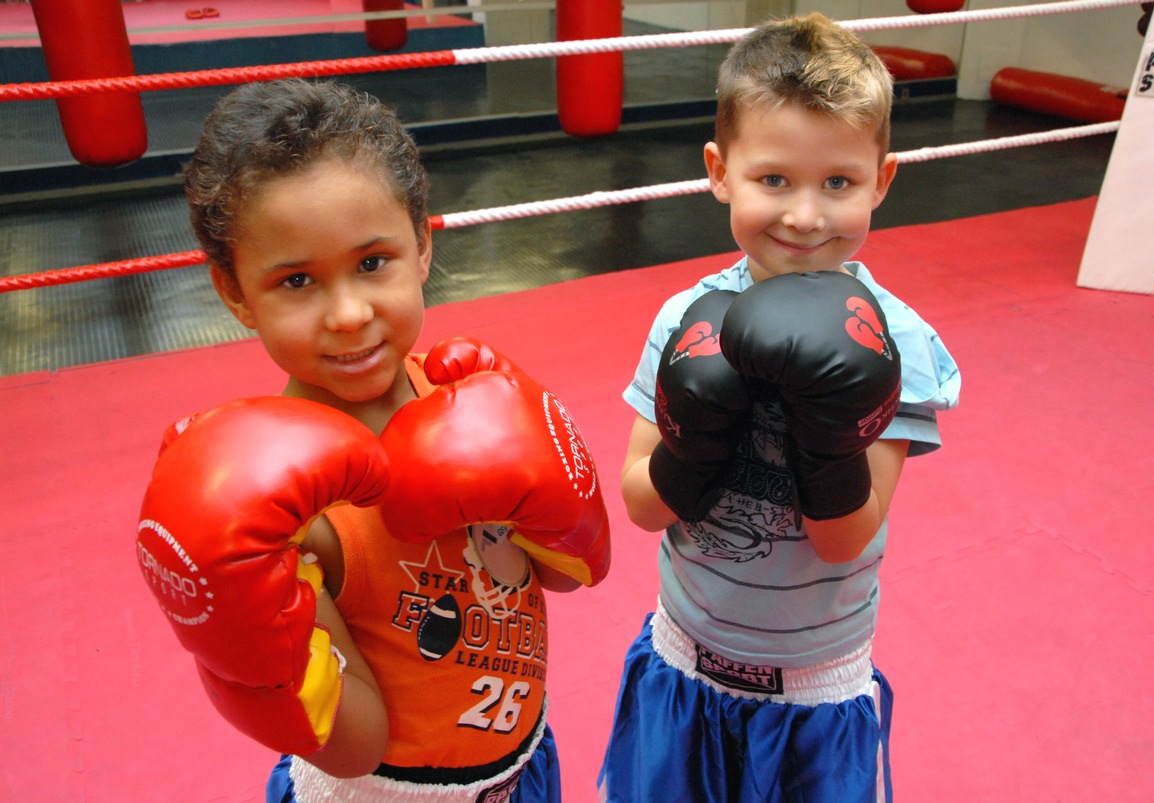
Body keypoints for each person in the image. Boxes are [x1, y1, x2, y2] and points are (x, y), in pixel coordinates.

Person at [133, 78, 611, 802]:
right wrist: (253, 657)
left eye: (371, 262)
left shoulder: (468, 396)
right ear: (235, 294)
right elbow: (354, 748)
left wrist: (552, 480)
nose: (350, 314)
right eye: (297, 280)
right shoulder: (292, 518)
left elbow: (565, 575)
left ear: (422, 245)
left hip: (522, 762)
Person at [597, 14, 961, 802]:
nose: (804, 215)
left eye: (838, 182)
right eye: (774, 180)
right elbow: (639, 505)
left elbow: (847, 539)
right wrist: (693, 444)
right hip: (684, 658)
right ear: (719, 171)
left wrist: (826, 431)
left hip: (813, 685)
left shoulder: (896, 342)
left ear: (883, 180)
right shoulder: (683, 318)